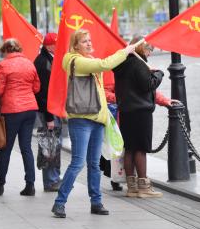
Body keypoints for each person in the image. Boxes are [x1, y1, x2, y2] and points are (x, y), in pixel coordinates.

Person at [51, 29, 137, 218]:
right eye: (84, 41)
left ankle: (96, 202)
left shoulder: (87, 61)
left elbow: (99, 92)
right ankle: (59, 202)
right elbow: (105, 64)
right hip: (81, 119)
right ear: (75, 46)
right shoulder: (75, 60)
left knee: (94, 165)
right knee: (78, 162)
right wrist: (125, 51)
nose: (89, 43)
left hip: (97, 119)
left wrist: (106, 117)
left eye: (90, 40)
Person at [113, 35, 177, 198]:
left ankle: (132, 187)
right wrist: (159, 74)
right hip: (140, 112)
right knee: (141, 149)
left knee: (129, 149)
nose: (150, 54)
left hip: (126, 111)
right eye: (149, 50)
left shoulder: (121, 63)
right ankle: (144, 187)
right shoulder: (138, 63)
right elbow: (147, 85)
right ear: (142, 48)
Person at [0, 39, 40, 196]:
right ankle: (30, 185)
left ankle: (0, 184)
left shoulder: (3, 65)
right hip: (30, 108)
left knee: (6, 148)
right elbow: (37, 87)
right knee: (26, 147)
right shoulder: (29, 64)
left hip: (12, 110)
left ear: (5, 50)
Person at [34, 32, 63, 192]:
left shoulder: (47, 60)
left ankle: (54, 178)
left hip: (51, 110)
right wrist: (49, 117)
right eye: (57, 43)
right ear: (49, 45)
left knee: (52, 144)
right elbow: (44, 94)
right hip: (48, 112)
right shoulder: (45, 63)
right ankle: (51, 180)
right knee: (50, 145)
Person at [99, 84, 123, 191]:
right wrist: (121, 98)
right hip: (114, 114)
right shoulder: (110, 70)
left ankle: (116, 178)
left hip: (123, 111)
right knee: (113, 147)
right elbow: (103, 91)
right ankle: (115, 179)